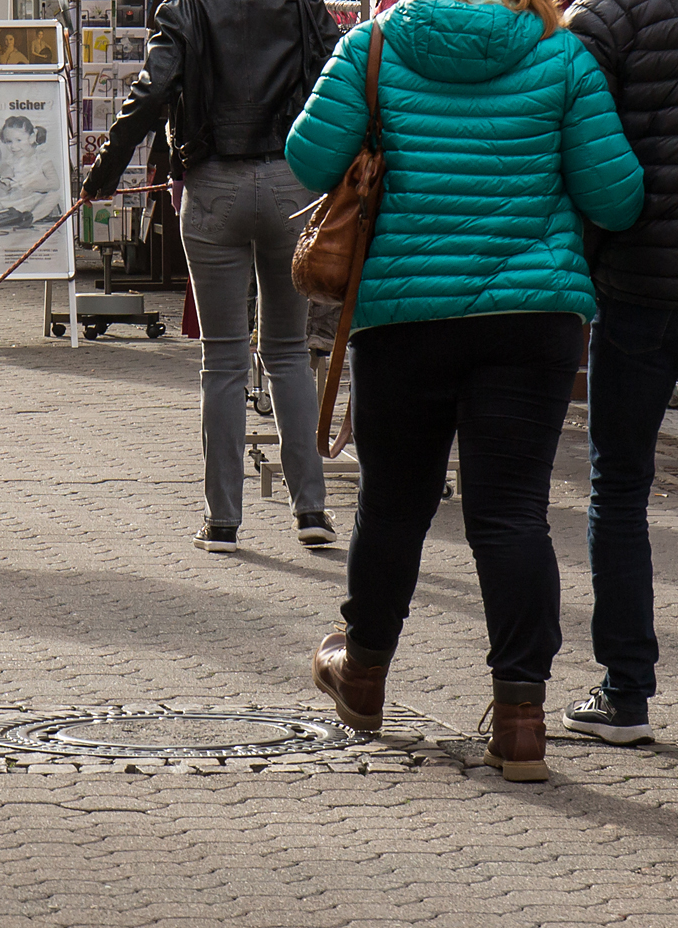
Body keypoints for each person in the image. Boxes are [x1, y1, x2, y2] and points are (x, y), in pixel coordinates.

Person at [288, 0, 643, 781]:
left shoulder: (372, 46)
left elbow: (309, 158)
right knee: (511, 513)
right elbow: (616, 197)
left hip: (404, 314)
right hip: (532, 319)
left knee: (393, 505)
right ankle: (521, 719)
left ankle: (365, 679)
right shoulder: (562, 58)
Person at [83, 0, 342, 553]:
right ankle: (312, 511)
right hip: (290, 180)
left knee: (222, 359)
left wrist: (106, 170)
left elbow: (153, 91)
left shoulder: (185, 5)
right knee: (289, 352)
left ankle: (223, 521)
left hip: (213, 181)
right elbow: (333, 73)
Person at [561, 0, 678, 747]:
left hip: (639, 283)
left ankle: (626, 693)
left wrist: (590, 262)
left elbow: (582, 155)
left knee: (621, 485)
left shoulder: (606, 20)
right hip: (635, 280)